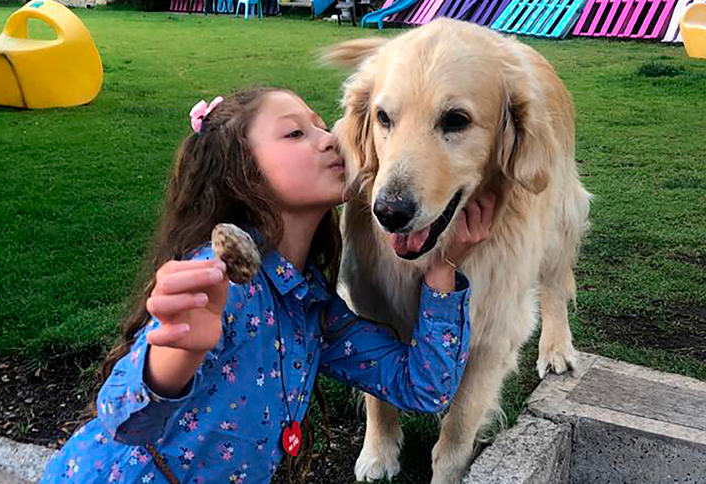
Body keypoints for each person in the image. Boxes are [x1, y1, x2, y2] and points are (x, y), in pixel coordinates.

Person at [39, 87, 495, 484]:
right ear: (244, 172)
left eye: (321, 126)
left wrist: (442, 263)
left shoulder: (310, 308)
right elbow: (122, 419)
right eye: (296, 133)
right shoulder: (218, 282)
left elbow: (425, 388)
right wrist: (173, 356)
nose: (331, 139)